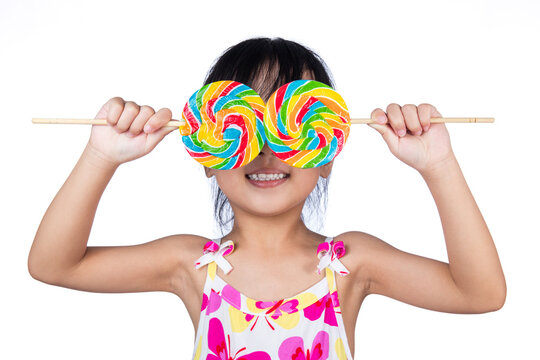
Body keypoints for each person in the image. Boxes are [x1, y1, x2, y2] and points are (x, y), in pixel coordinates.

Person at [28, 37, 506, 359]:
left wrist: (438, 165)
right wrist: (100, 156)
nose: (264, 149)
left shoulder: (352, 262)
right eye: (241, 125)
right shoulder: (193, 264)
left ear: (327, 149)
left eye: (291, 123)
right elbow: (53, 265)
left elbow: (481, 293)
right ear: (208, 149)